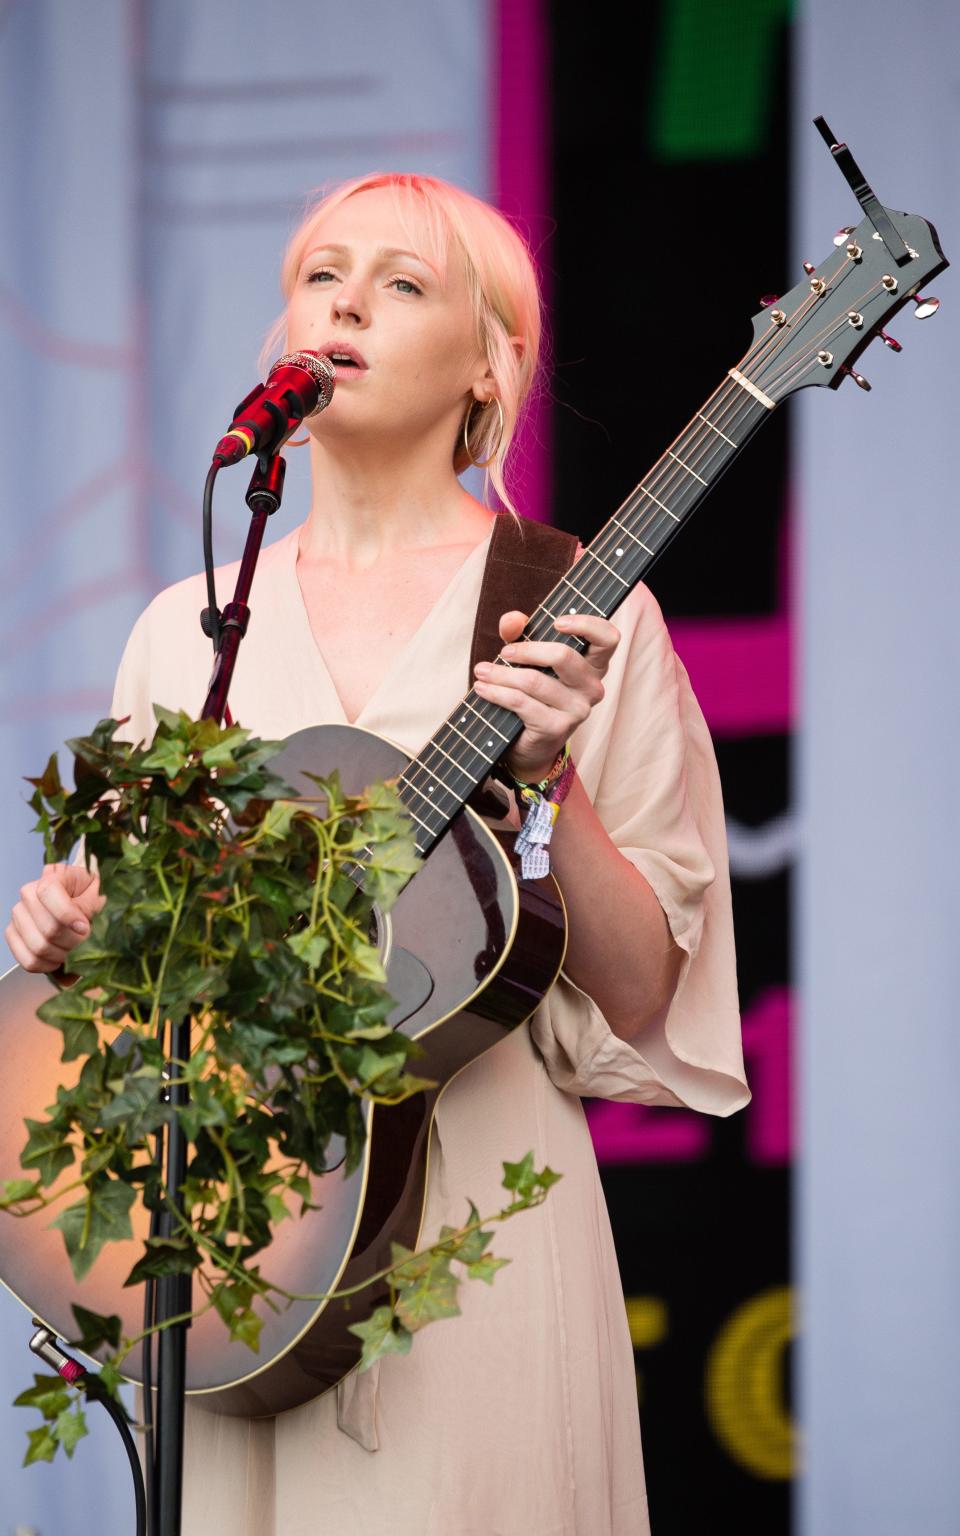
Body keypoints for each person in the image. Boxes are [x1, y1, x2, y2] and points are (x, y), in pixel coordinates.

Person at [5, 172, 750, 1536]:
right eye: (319, 275)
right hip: (247, 1245)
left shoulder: (581, 613)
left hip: (480, 1229)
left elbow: (646, 995)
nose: (344, 299)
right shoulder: (191, 624)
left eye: (401, 283)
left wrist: (553, 789)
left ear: (486, 367)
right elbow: (147, 967)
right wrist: (73, 933)